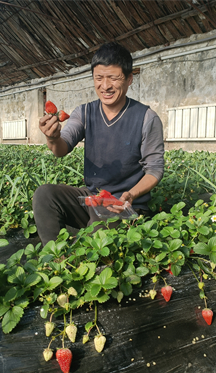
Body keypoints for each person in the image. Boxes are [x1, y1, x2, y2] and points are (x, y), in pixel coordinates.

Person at [33, 42, 164, 246]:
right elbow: (62, 148)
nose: (105, 86)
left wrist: (131, 194)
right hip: (93, 199)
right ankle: (55, 258)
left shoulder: (146, 118)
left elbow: (154, 170)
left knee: (99, 231)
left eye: (113, 78)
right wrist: (52, 138)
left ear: (129, 79)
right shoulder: (84, 113)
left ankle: (89, 245)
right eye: (99, 78)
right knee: (45, 195)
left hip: (125, 205)